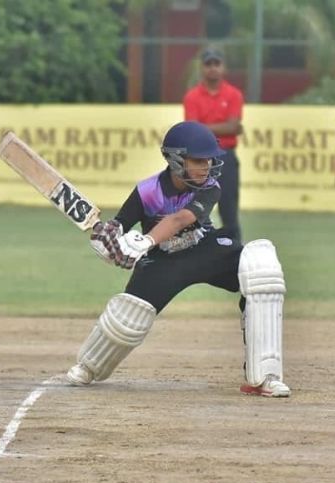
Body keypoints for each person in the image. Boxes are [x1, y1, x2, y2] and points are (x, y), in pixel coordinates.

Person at [64, 121, 290, 398]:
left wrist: (145, 240)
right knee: (128, 316)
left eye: (209, 159)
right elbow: (120, 225)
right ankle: (90, 365)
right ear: (175, 160)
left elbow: (181, 218)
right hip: (164, 261)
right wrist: (108, 241)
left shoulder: (210, 187)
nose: (207, 166)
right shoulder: (147, 191)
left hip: (204, 250)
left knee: (261, 268)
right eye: (198, 160)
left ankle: (265, 376)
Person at [183, 47, 245, 241]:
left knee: (229, 211)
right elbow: (194, 131)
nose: (212, 68)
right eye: (208, 64)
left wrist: (205, 128)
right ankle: (193, 254)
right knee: (194, 211)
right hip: (200, 159)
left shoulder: (233, 94)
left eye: (216, 64)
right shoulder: (192, 96)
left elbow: (232, 127)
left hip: (226, 155)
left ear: (223, 67)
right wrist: (226, 127)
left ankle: (235, 254)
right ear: (202, 68)